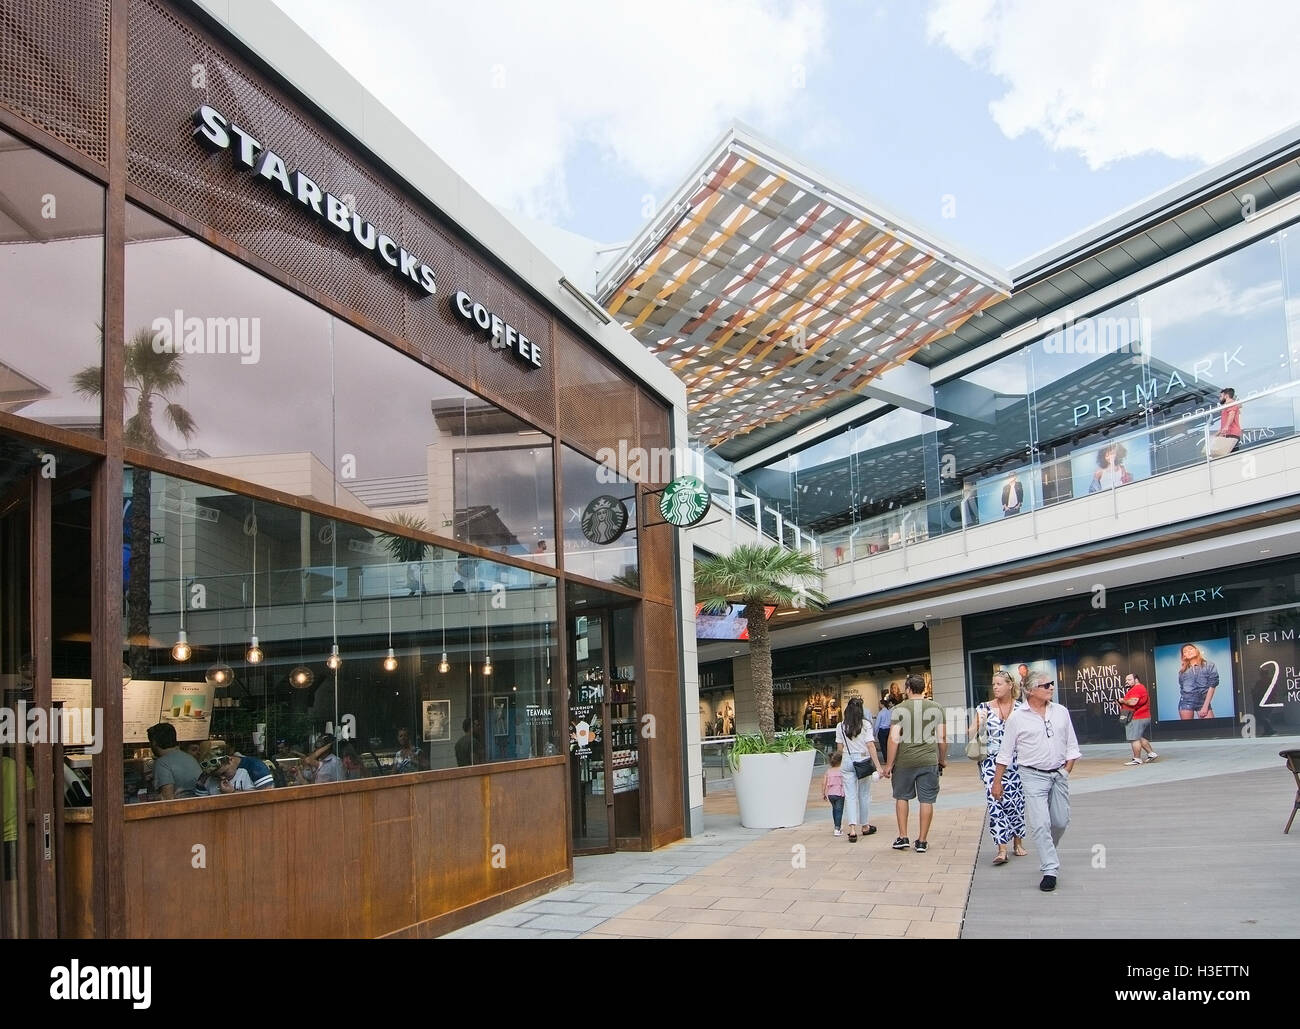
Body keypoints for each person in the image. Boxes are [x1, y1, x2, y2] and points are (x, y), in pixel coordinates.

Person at [993, 672, 1081, 892]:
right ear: (1031, 690)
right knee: (1041, 824)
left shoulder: (1061, 712)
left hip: (1059, 774)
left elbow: (1072, 744)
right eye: (1046, 685)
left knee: (1060, 822)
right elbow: (1005, 753)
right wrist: (997, 781)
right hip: (1032, 776)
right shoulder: (1017, 717)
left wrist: (1067, 769)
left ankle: (1048, 848)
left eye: (1051, 684)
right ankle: (1050, 869)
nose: (1051, 687)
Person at [968, 671, 1028, 866]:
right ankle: (1001, 848)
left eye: (999, 683)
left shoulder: (1021, 708)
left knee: (1016, 801)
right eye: (993, 684)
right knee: (995, 802)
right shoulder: (984, 708)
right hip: (990, 762)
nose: (995, 687)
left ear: (1010, 685)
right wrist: (981, 722)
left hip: (1016, 761)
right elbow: (968, 733)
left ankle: (1018, 842)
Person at [883, 673, 946, 853]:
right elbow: (942, 738)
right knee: (926, 800)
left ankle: (903, 837)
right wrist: (941, 759)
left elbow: (893, 739)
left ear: (908, 689)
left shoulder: (899, 709)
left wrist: (889, 764)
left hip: (905, 761)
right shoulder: (936, 707)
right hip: (928, 760)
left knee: (901, 797)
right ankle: (922, 841)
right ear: (924, 689)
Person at [834, 696, 881, 842]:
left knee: (850, 796)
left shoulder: (840, 726)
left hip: (847, 761)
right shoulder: (865, 725)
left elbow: (839, 749)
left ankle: (852, 829)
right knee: (864, 794)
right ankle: (865, 826)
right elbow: (871, 745)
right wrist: (878, 766)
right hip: (863, 761)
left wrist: (838, 765)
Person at [146, 721, 202, 800]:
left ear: (154, 743)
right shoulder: (190, 758)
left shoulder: (162, 763)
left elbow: (167, 798)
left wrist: (150, 798)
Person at [197, 740, 275, 793]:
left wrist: (233, 793)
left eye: (224, 773)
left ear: (230, 760)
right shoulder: (205, 777)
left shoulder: (255, 767)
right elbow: (198, 805)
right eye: (215, 776)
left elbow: (268, 798)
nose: (222, 778)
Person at [1120, 672, 1158, 764]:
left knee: (1134, 738)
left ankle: (1137, 759)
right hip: (1140, 716)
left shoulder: (1138, 688)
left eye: (1129, 680)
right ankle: (1151, 753)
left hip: (1137, 717)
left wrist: (1123, 700)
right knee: (1138, 737)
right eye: (1126, 680)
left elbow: (1133, 702)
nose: (1127, 682)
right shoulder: (1137, 688)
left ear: (1136, 679)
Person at [1177, 643, 1217, 719]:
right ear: (1184, 656)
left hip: (1203, 701)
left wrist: (1205, 706)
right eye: (1185, 651)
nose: (1188, 651)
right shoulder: (1182, 671)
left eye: (1190, 649)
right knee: (1188, 729)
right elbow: (1182, 686)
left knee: (1210, 728)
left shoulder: (1209, 665)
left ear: (1196, 650)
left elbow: (1213, 685)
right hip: (1186, 702)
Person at [1210, 387, 1241, 457]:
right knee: (1227, 456)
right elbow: (1223, 426)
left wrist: (1226, 427)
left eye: (1221, 396)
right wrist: (1216, 434)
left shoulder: (1230, 403)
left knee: (1231, 457)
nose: (1219, 398)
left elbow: (1231, 414)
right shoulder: (1227, 405)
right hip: (1228, 434)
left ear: (1226, 396)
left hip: (1231, 434)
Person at [822, 751, 846, 836]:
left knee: (834, 809)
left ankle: (836, 825)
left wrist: (823, 793)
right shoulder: (842, 771)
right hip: (840, 794)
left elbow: (824, 783)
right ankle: (837, 828)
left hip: (831, 794)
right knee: (839, 811)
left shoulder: (828, 771)